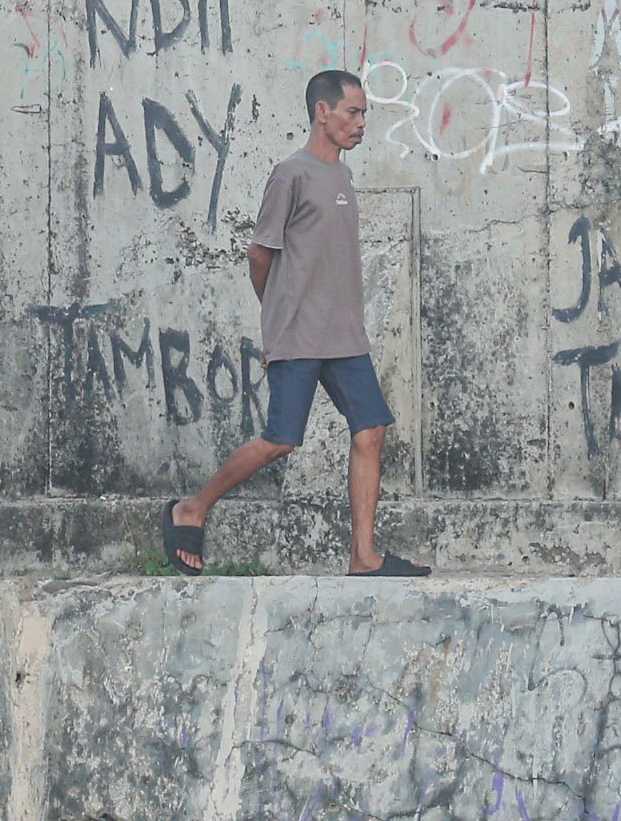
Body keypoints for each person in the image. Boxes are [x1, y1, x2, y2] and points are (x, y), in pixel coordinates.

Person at [158, 70, 429, 579]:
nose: (361, 123)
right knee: (282, 439)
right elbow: (260, 254)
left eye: (365, 113)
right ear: (321, 112)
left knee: (371, 431)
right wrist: (276, 321)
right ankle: (191, 509)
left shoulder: (343, 177)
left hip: (345, 335)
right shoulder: (291, 174)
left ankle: (364, 556)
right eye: (352, 112)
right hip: (300, 333)